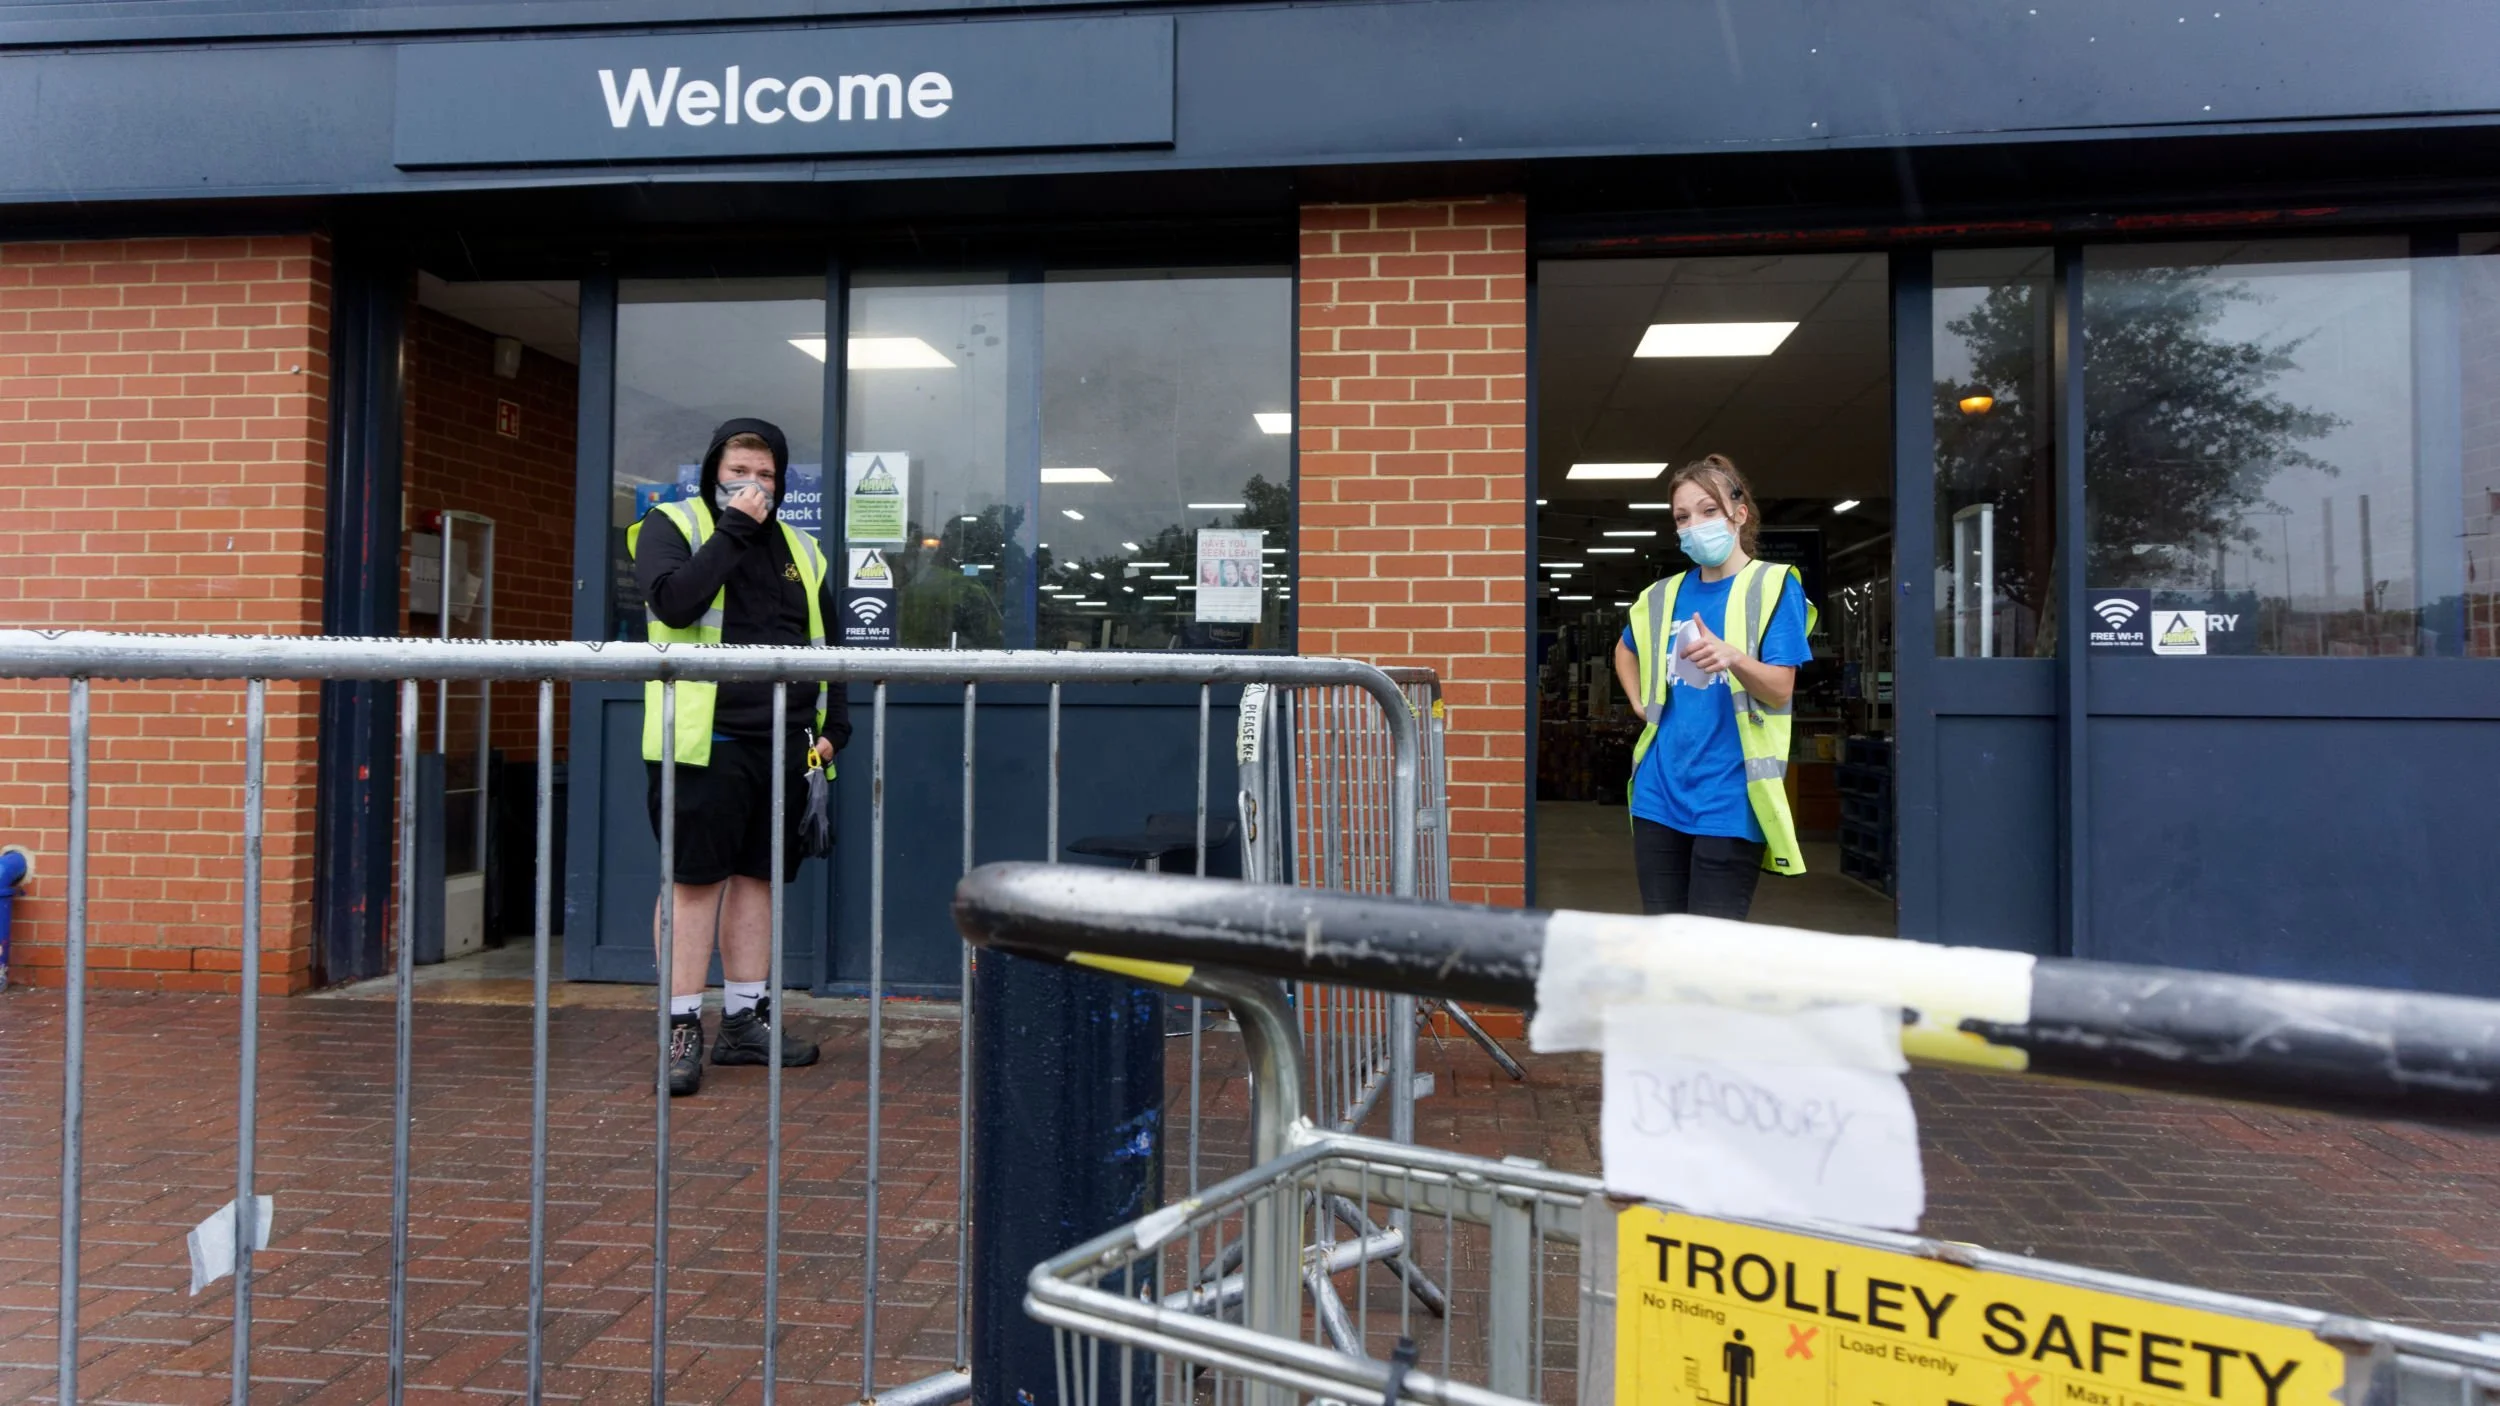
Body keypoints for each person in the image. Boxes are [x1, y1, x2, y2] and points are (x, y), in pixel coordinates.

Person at [629, 418, 851, 1097]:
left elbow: (828, 643)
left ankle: (745, 1021)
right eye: (738, 472)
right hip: (706, 742)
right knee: (693, 884)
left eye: (765, 475)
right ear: (712, 473)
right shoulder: (675, 524)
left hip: (784, 743)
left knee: (758, 880)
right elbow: (674, 604)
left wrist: (835, 726)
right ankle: (681, 1026)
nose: (752, 485)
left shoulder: (802, 549)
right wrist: (734, 530)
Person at [1612, 454, 1816, 919]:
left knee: (1708, 948)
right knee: (1663, 940)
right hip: (1658, 794)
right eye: (1682, 517)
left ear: (1739, 514)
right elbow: (1625, 648)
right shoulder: (1662, 594)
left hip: (1729, 797)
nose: (1693, 526)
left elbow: (1780, 689)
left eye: (1708, 511)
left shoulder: (1773, 586)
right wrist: (1639, 703)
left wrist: (1734, 658)